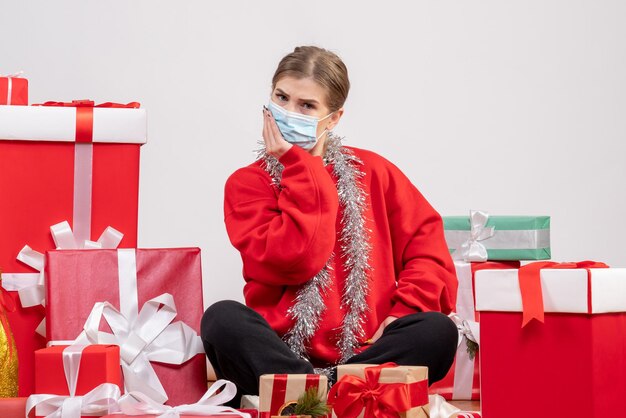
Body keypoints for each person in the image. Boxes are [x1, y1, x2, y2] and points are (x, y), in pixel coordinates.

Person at [201, 46, 459, 402]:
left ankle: (318, 396)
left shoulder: (374, 171)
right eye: (282, 97)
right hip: (280, 353)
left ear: (334, 118)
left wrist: (404, 312)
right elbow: (296, 258)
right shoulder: (248, 184)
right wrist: (301, 168)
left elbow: (429, 250)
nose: (288, 112)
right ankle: (343, 395)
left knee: (437, 331)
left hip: (369, 351)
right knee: (221, 320)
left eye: (307, 106)